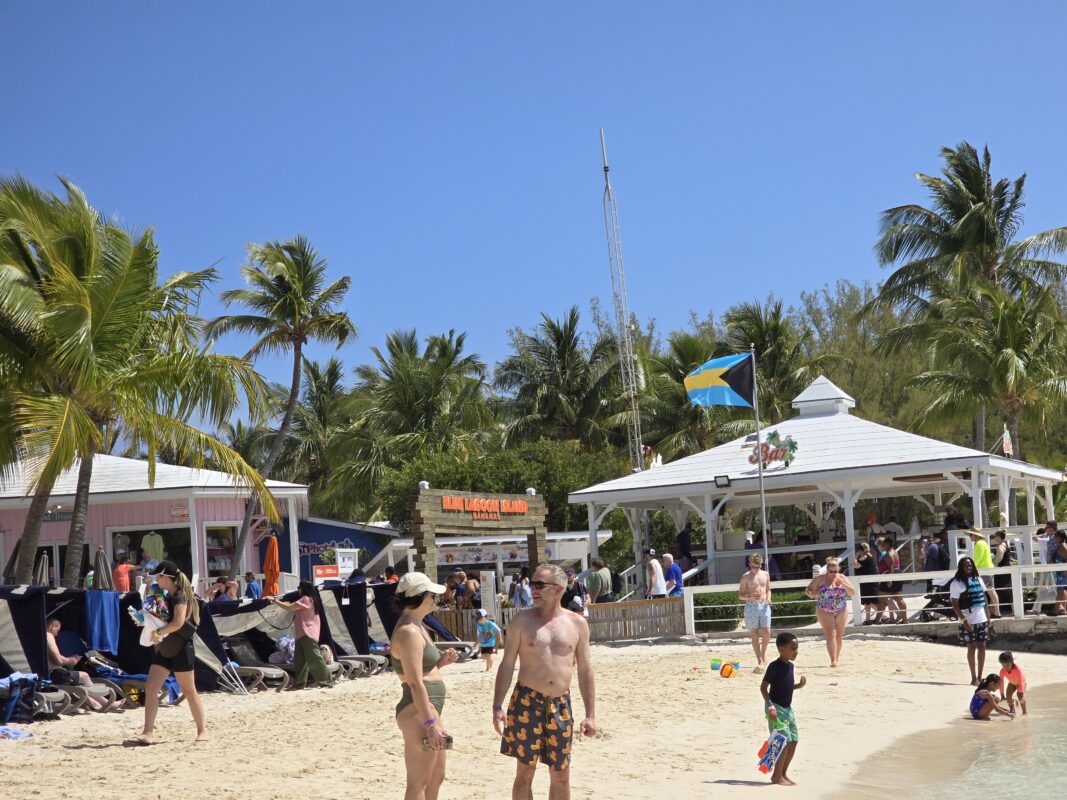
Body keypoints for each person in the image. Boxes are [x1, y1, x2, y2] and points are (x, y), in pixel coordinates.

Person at [493, 563, 596, 800]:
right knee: (525, 773)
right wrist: (497, 706)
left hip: (560, 705)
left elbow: (585, 670)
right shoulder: (521, 621)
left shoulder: (577, 623)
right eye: (532, 584)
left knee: (561, 774)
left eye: (539, 584)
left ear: (558, 588)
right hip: (525, 702)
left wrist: (590, 714)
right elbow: (507, 664)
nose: (533, 589)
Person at [390, 572, 459, 800]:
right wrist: (430, 723)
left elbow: (422, 671)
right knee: (419, 783)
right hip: (419, 711)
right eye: (431, 595)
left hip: (427, 708)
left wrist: (441, 662)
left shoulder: (417, 626)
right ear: (418, 597)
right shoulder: (408, 631)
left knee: (437, 776)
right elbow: (414, 682)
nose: (434, 599)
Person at [124, 560, 206, 745]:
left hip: (181, 649)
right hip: (166, 649)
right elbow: (162, 619)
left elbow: (177, 623)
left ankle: (202, 731)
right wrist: (145, 622)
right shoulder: (164, 595)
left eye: (158, 576)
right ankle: (148, 732)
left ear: (166, 578)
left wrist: (156, 632)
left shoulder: (180, 596)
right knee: (152, 687)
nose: (156, 580)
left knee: (189, 691)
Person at [268, 581, 336, 689]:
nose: (298, 589)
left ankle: (327, 681)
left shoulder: (306, 599)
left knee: (315, 659)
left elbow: (289, 607)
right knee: (300, 662)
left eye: (299, 587)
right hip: (301, 634)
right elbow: (291, 607)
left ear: (303, 588)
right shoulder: (312, 600)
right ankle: (299, 684)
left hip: (307, 634)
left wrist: (275, 600)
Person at [760, 631, 806, 787]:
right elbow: (763, 688)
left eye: (797, 649)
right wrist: (770, 706)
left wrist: (798, 686)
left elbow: (785, 687)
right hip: (776, 708)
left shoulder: (790, 667)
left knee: (794, 740)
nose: (796, 652)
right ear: (781, 649)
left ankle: (783, 773)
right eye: (793, 649)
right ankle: (776, 776)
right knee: (782, 741)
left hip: (788, 709)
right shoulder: (774, 666)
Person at [45, 617, 118, 712]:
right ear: (51, 627)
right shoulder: (48, 636)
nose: (57, 634)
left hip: (47, 675)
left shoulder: (36, 638)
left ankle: (96, 704)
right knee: (84, 676)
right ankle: (107, 703)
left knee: (77, 683)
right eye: (57, 630)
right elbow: (58, 660)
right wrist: (71, 660)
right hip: (54, 675)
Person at [804, 556, 855, 667]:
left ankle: (836, 657)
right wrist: (813, 593)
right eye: (831, 571)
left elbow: (852, 592)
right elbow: (808, 590)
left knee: (839, 635)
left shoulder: (841, 577)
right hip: (824, 609)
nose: (833, 573)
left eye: (835, 571)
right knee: (831, 634)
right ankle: (833, 660)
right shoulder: (820, 579)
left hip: (841, 608)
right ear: (827, 570)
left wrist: (843, 583)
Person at [950, 556, 990, 685]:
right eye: (966, 565)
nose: (969, 567)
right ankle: (973, 678)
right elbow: (955, 604)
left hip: (981, 618)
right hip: (968, 619)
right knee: (971, 647)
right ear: (961, 567)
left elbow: (984, 599)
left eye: (970, 565)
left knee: (982, 646)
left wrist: (988, 617)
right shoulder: (956, 583)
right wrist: (964, 620)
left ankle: (980, 675)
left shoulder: (978, 579)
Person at [738, 553, 772, 672]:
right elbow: (740, 596)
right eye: (754, 566)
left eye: (758, 566)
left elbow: (768, 589)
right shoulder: (746, 577)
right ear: (750, 563)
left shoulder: (765, 574)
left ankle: (763, 655)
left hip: (764, 605)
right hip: (751, 605)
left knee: (767, 631)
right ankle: (760, 659)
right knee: (754, 633)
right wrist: (750, 597)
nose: (756, 568)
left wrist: (769, 598)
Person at [967, 528, 1000, 618]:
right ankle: (993, 611)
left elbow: (977, 559)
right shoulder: (982, 543)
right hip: (987, 569)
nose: (970, 536)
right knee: (991, 591)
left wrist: (971, 569)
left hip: (984, 570)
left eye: (971, 535)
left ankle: (997, 612)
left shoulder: (979, 544)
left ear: (976, 535)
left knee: (991, 591)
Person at [876, 537, 905, 624]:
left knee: (882, 600)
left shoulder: (889, 553)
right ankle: (905, 619)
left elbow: (891, 565)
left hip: (889, 577)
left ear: (886, 544)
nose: (882, 546)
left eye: (883, 544)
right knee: (899, 599)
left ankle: (877, 620)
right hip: (896, 576)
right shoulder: (894, 551)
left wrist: (889, 579)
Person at [853, 543, 879, 624]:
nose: (857, 551)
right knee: (867, 601)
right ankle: (868, 619)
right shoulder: (869, 555)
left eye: (858, 550)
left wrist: (856, 557)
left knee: (869, 601)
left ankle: (882, 616)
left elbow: (854, 565)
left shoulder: (863, 557)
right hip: (868, 583)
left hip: (868, 583)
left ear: (861, 550)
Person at [989, 531, 1013, 614]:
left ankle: (993, 611)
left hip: (1002, 571)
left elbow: (999, 559)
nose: (994, 538)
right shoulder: (1005, 544)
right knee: (1008, 591)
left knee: (996, 590)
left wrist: (991, 561)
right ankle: (1014, 610)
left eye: (995, 536)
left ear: (999, 536)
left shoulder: (1000, 546)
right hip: (1006, 570)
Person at [998, 651, 1027, 716]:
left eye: (1007, 665)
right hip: (1012, 683)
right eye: (1003, 665)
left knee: (1020, 696)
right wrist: (1002, 694)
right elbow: (1001, 682)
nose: (1005, 667)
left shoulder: (1017, 670)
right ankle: (1012, 709)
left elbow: (1021, 681)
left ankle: (1024, 712)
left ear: (1012, 662)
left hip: (1021, 683)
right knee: (1008, 696)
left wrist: (1021, 693)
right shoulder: (1002, 671)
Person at [1053, 530, 1067, 616]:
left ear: (1059, 538)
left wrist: (1065, 570)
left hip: (1063, 572)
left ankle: (1055, 610)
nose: (1053, 538)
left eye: (1055, 536)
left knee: (1060, 591)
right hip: (1061, 572)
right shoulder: (1060, 546)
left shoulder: (1062, 546)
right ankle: (1063, 609)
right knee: (1063, 590)